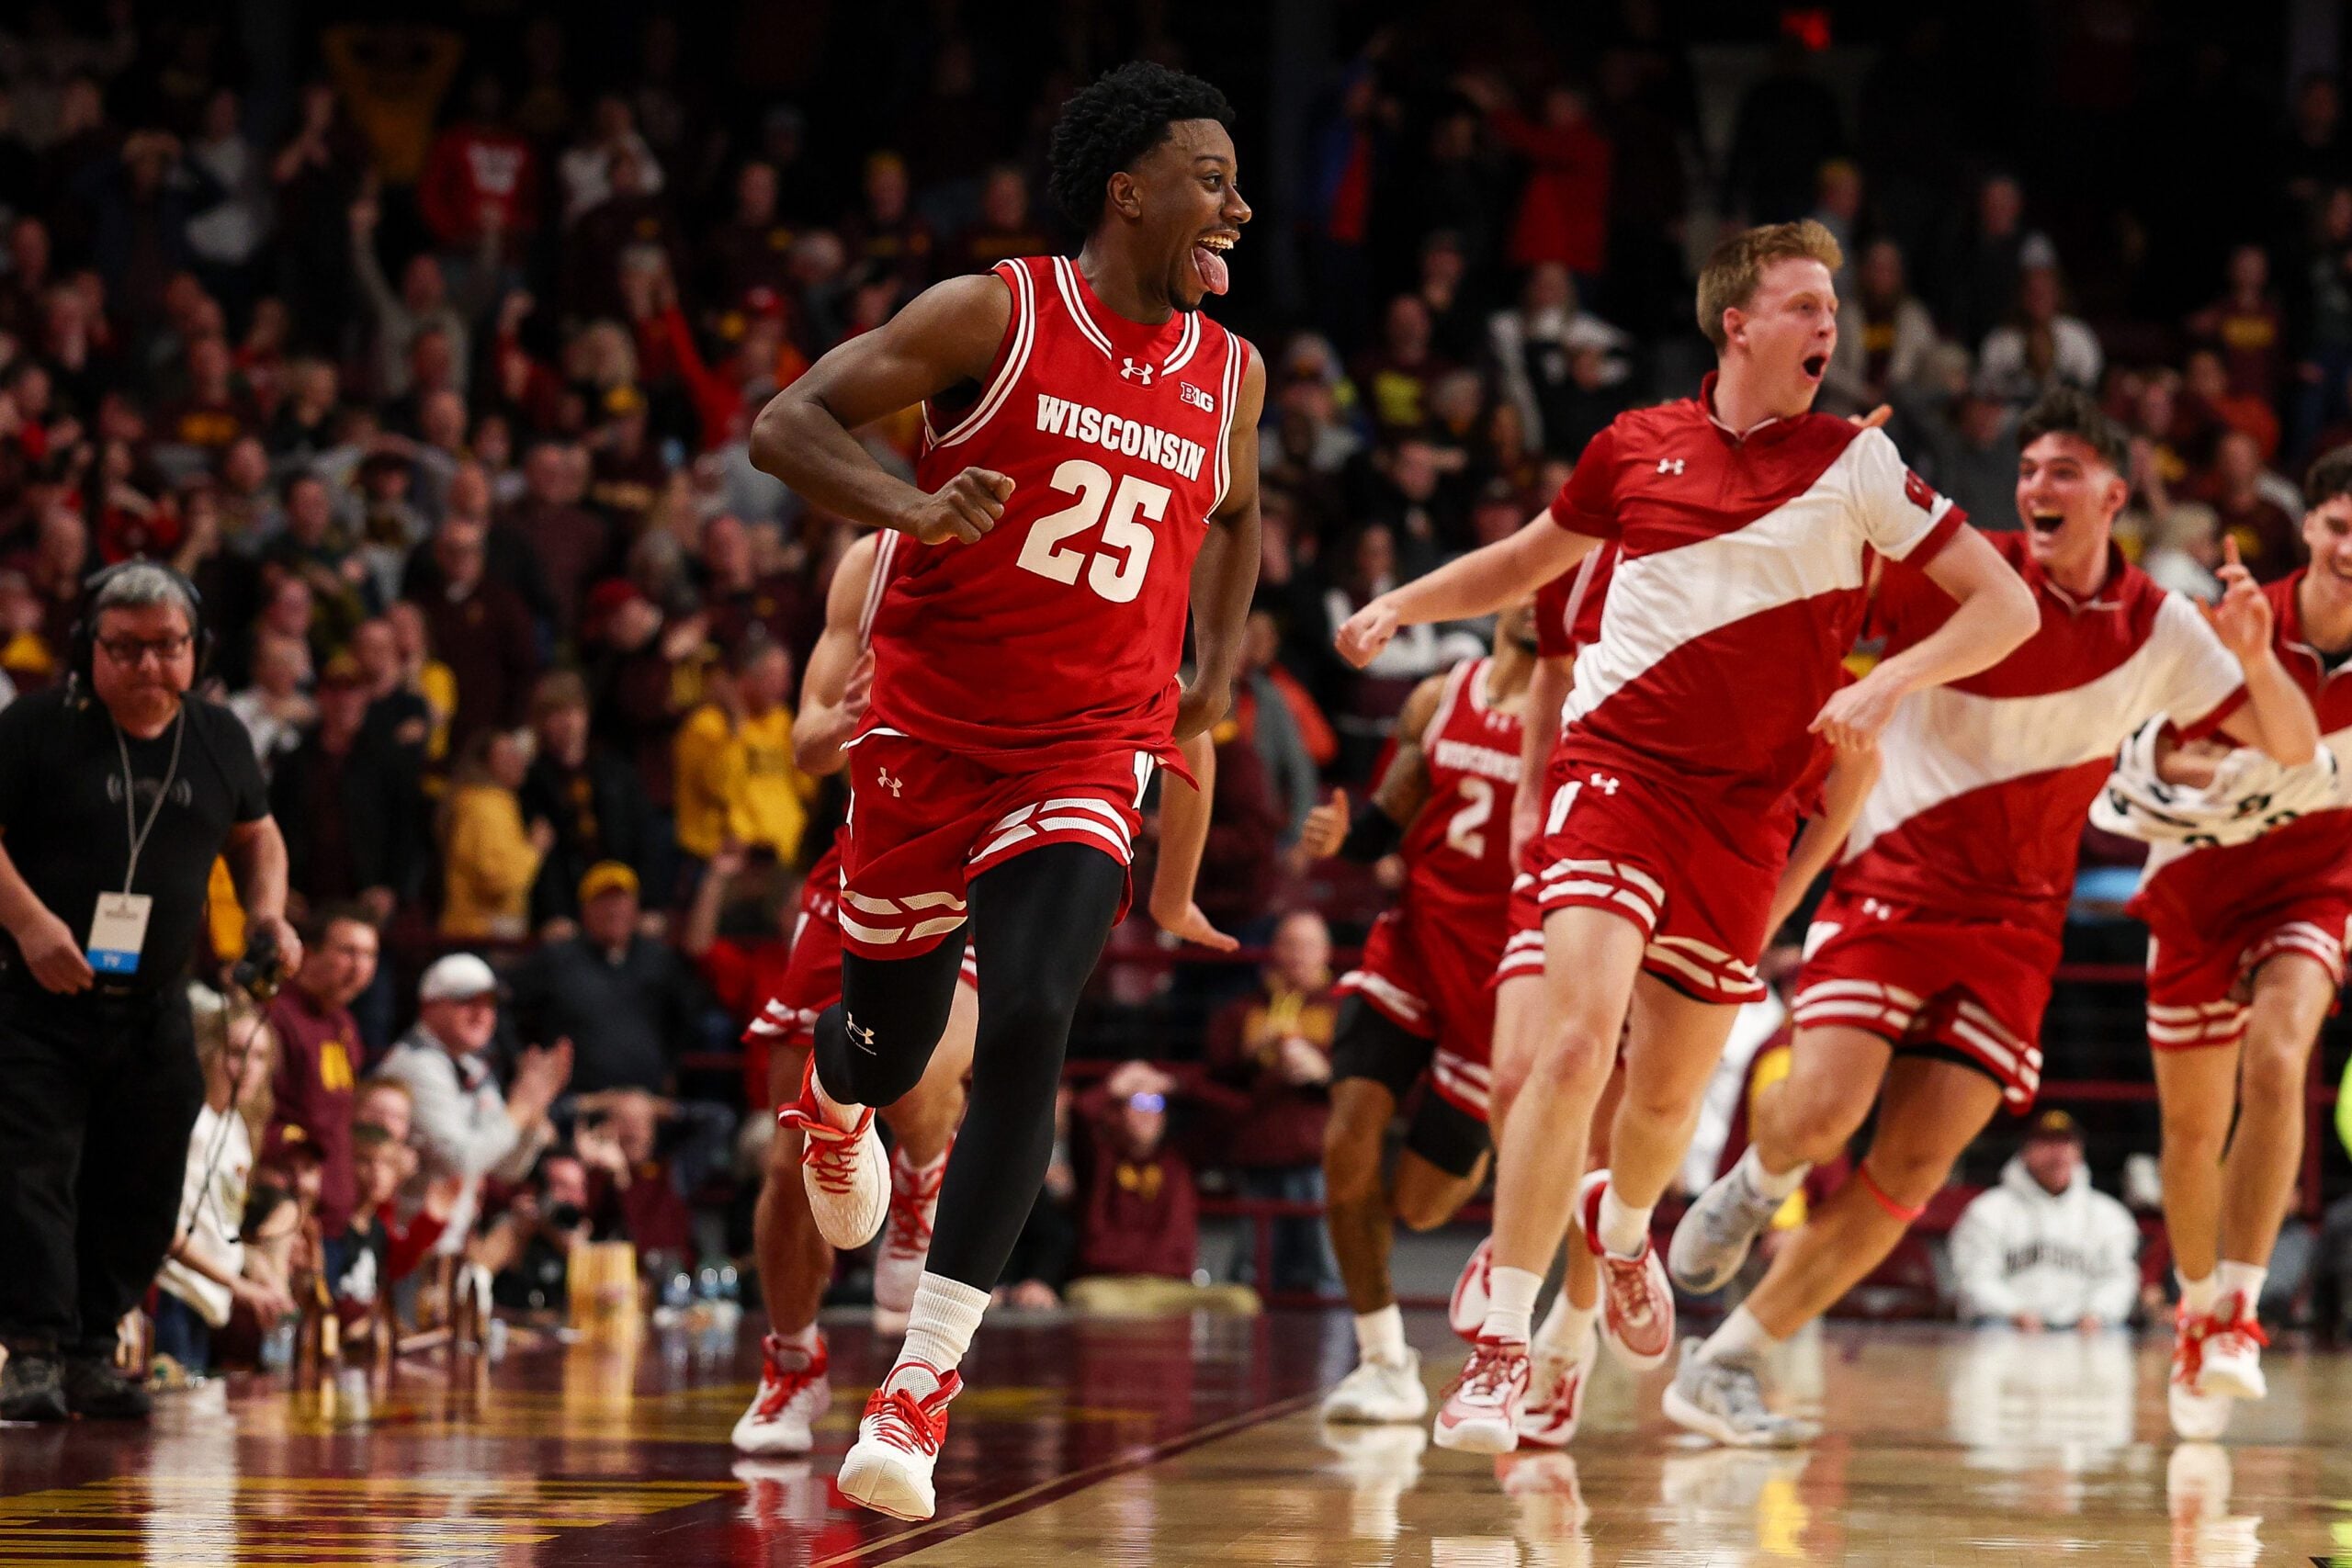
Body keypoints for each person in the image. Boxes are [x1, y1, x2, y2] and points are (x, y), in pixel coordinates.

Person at [1334, 219, 2040, 1457]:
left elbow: (2008, 605)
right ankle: (1500, 1337)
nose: (1832, 326)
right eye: (1807, 305)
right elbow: (1523, 559)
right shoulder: (1632, 445)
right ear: (1739, 322)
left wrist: (1884, 684)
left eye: (1835, 307)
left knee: (1665, 1096)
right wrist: (1404, 597)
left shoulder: (1856, 465)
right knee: (1570, 1043)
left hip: (1746, 811)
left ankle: (1621, 1227)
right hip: (1617, 775)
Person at [746, 60, 1260, 1519]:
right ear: (1129, 189)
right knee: (892, 1033)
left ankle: (919, 1386)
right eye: (1212, 177)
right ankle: (835, 1099)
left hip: (1088, 745)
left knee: (1034, 1011)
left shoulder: (1233, 371)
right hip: (930, 733)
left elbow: (1238, 517)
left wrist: (1209, 673)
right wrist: (915, 504)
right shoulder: (998, 312)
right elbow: (786, 422)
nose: (1238, 204)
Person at [1663, 389, 2316, 1447]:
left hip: (2019, 926)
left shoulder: (2158, 623)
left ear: (2115, 492)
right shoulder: (1961, 570)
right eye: (2025, 471)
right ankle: (1754, 1181)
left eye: (2060, 471)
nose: (2035, 489)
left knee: (1913, 1173)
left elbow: (2289, 748)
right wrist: (1822, 486)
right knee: (1823, 1109)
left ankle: (1726, 1362)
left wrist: (2250, 654)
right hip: (1895, 881)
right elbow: (1805, 578)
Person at [0, 562, 303, 1421]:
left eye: (166, 647)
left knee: (140, 1179)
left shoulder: (218, 734)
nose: (146, 666)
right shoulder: (34, 728)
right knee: (33, 1178)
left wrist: (268, 917)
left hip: (157, 1003)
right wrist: (28, 924)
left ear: (195, 648)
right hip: (36, 998)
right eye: (123, 648)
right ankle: (30, 1353)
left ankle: (96, 1351)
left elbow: (260, 836)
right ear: (85, 649)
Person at [2097, 446, 2352, 1438]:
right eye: (2338, 526)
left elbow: (2292, 757)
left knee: (2282, 1053)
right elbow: (2142, 765)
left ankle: (2240, 1313)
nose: (2351, 547)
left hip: (2315, 886)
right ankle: (2195, 1312)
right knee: (2190, 1136)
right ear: (2309, 527)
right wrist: (2180, 762)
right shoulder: (2221, 627)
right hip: (2199, 891)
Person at [1304, 606, 1535, 1425]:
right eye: (1532, 583)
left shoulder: (1578, 715)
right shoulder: (1442, 697)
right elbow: (1383, 825)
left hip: (1501, 985)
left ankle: (1487, 1181)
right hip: (1411, 946)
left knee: (1423, 1206)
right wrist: (1344, 838)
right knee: (1346, 1138)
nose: (1543, 599)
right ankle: (1382, 1359)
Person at [377, 953, 571, 1256]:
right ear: (429, 1006)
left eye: (489, 1004)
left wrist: (533, 1113)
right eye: (468, 1002)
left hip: (450, 1244)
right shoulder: (416, 1066)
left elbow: (505, 1167)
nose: (482, 1014)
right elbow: (460, 1160)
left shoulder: (472, 1066)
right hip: (405, 1245)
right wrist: (519, 1108)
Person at [155, 983, 296, 1374]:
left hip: (208, 1300)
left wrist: (260, 1270)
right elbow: (163, 1227)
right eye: (237, 1053)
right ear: (207, 1050)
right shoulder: (188, 1123)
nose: (249, 1068)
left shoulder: (234, 1128)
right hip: (173, 1295)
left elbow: (219, 1226)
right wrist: (241, 1287)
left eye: (260, 1056)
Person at [1204, 909, 1341, 1296]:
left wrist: (1322, 1072)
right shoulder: (1245, 1008)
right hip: (1258, 1147)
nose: (1298, 954)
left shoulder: (1344, 1007)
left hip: (1319, 1152)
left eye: (1308, 945)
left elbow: (1370, 1077)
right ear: (1274, 950)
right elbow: (1216, 1072)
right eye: (1290, 944)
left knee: (1325, 1269)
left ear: (1326, 953)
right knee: (1253, 1271)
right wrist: (1252, 1050)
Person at [1949, 1111, 2140, 1331]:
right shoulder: (1987, 1210)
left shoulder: (2109, 1214)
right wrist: (2015, 1311)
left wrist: (2097, 1313)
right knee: (1991, 1330)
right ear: (2025, 1151)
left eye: (2065, 1143)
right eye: (2046, 1143)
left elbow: (2121, 1278)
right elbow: (1974, 1278)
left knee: (2115, 1333)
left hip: (2087, 1329)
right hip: (2007, 1324)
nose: (2057, 1153)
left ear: (2079, 1151)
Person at [266, 904, 381, 1235]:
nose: (360, 967)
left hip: (335, 1214)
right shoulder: (275, 1016)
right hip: (291, 1212)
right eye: (348, 952)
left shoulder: (344, 1023)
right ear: (309, 952)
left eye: (370, 955)